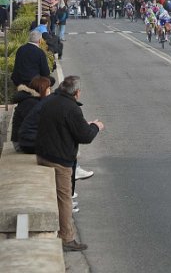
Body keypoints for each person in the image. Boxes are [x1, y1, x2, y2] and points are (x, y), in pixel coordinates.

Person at [35, 76, 104, 252]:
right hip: (60, 160)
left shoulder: (51, 100)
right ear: (77, 92)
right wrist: (96, 126)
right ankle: (66, 238)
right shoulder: (72, 108)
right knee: (64, 198)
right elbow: (85, 136)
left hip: (43, 154)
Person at [11, 75, 51, 152]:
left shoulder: (32, 100)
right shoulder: (31, 103)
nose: (50, 90)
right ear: (42, 88)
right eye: (48, 88)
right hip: (22, 143)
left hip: (26, 139)